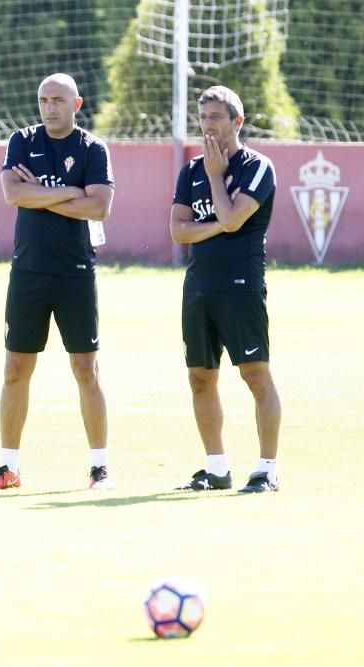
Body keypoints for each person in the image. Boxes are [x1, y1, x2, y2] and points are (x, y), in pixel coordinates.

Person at [0, 73, 115, 492]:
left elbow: (100, 206)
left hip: (75, 272)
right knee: (16, 368)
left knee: (85, 369)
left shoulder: (93, 148)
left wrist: (38, 191)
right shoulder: (21, 141)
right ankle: (8, 467)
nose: (49, 107)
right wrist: (69, 193)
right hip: (28, 272)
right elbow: (12, 195)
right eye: (43, 100)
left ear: (76, 104)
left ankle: (99, 468)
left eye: (58, 100)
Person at [169, 85, 282, 493]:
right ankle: (216, 469)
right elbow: (177, 229)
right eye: (203, 118)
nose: (208, 126)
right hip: (198, 286)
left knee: (255, 374)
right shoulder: (191, 169)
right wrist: (219, 222)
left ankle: (266, 469)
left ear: (238, 121)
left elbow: (234, 220)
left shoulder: (257, 166)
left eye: (216, 118)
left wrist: (218, 179)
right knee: (200, 377)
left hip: (241, 285)